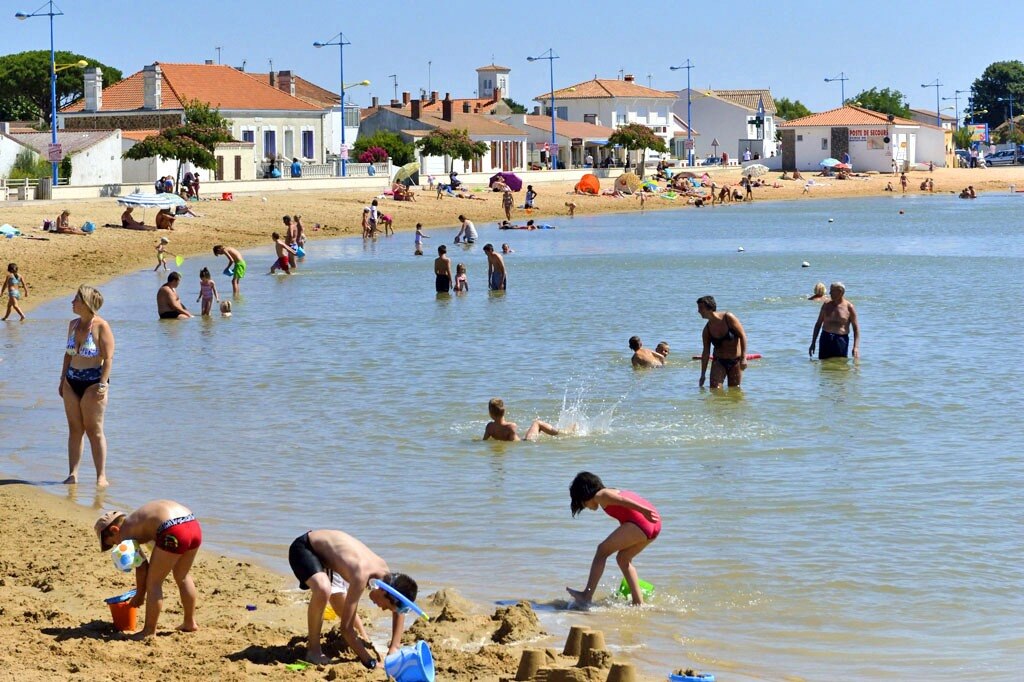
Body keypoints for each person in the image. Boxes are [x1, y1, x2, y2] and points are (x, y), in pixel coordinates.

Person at [288, 529, 419, 666]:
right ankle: (313, 651)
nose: (383, 609)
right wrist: (370, 661)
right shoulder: (361, 575)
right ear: (383, 590)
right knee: (323, 590)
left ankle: (365, 638)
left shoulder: (385, 574)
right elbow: (346, 629)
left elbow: (398, 605)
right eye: (386, 606)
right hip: (306, 547)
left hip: (331, 559)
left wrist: (394, 647)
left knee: (340, 604)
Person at [94, 500, 202, 638]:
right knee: (182, 575)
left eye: (114, 543)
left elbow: (142, 567)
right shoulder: (136, 520)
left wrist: (140, 594)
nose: (117, 546)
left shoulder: (125, 535)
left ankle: (149, 631)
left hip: (172, 529)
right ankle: (189, 622)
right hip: (192, 523)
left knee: (154, 583)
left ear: (114, 530)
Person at [566, 471, 661, 607]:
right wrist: (645, 512)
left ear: (585, 493)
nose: (585, 507)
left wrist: (644, 511)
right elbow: (625, 511)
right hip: (654, 524)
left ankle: (586, 596)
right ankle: (638, 602)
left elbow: (624, 501)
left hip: (643, 521)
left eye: (582, 503)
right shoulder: (612, 491)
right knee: (623, 559)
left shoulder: (601, 495)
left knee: (601, 551)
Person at [61, 285, 114, 486]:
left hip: (93, 383)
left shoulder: (101, 326)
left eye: (76, 299)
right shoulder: (73, 324)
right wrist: (62, 379)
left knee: (94, 430)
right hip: (71, 381)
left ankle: (101, 476)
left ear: (86, 303)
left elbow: (108, 358)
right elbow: (68, 354)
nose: (72, 302)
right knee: (75, 429)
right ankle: (72, 474)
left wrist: (103, 384)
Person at [697, 295, 748, 389]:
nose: (698, 311)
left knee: (734, 390)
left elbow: (743, 335)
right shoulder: (707, 330)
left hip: (735, 361)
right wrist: (703, 374)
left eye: (700, 308)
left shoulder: (728, 318)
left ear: (709, 308)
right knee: (714, 389)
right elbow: (706, 352)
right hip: (719, 361)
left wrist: (743, 358)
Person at [809, 281, 860, 360]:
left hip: (841, 340)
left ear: (840, 292)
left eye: (832, 291)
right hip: (825, 338)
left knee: (841, 365)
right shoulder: (826, 305)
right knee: (823, 364)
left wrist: (855, 347)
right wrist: (813, 342)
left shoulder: (849, 307)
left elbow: (856, 328)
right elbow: (818, 324)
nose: (830, 293)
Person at [482, 398, 567, 441]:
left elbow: (484, 440)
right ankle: (560, 433)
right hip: (526, 442)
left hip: (520, 440)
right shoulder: (510, 426)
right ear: (504, 411)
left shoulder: (489, 427)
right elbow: (515, 443)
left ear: (490, 413)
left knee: (528, 430)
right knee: (537, 423)